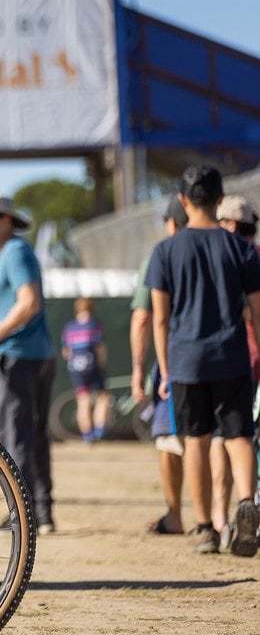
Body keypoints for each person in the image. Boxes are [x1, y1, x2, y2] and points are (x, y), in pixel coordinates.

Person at [147, 165, 259, 557]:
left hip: (186, 360)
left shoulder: (165, 251)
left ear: (182, 201)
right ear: (219, 199)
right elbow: (257, 312)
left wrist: (164, 367)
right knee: (238, 436)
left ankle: (208, 528)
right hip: (232, 356)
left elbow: (160, 318)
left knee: (196, 440)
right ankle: (247, 502)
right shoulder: (242, 249)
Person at [0, 193, 56, 535]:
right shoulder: (12, 253)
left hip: (22, 357)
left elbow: (28, 303)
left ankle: (22, 514)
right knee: (34, 436)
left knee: (16, 436)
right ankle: (41, 512)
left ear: (8, 220)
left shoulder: (15, 252)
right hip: (29, 354)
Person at [130, 197, 188, 535]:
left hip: (177, 358)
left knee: (168, 438)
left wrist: (140, 370)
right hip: (229, 358)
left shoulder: (162, 253)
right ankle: (218, 519)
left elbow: (143, 318)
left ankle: (176, 514)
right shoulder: (231, 246)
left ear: (170, 222)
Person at [212, 193, 260, 551]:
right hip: (247, 360)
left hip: (236, 360)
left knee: (227, 439)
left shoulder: (230, 259)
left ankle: (220, 520)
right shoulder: (252, 254)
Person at [60, 297, 111, 443]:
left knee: (83, 400)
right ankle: (100, 429)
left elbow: (66, 352)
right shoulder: (94, 326)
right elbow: (100, 349)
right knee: (103, 397)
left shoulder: (69, 328)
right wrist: (102, 365)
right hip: (92, 365)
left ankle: (87, 435)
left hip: (76, 368)